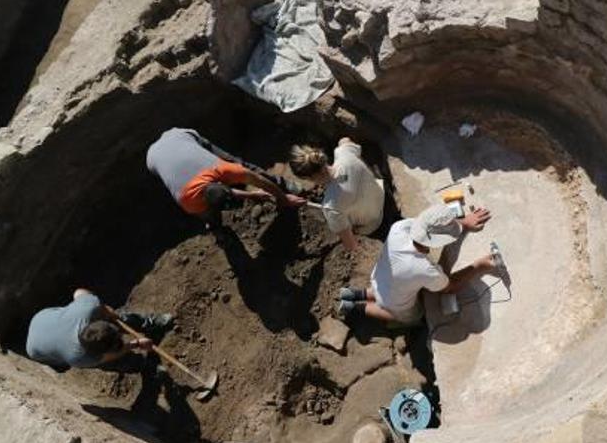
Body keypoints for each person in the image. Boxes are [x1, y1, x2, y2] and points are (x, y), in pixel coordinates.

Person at [337, 204, 494, 323]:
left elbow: (428, 226)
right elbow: (449, 287)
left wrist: (463, 223)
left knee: (384, 290)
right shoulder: (424, 269)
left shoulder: (399, 228)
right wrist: (481, 265)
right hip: (395, 303)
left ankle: (353, 294)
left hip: (379, 279)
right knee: (411, 317)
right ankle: (354, 308)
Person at [147, 128, 306, 225]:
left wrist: (283, 198)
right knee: (209, 217)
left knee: (240, 164)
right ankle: (218, 230)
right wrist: (251, 195)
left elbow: (258, 179)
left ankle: (282, 183)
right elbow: (206, 212)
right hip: (152, 158)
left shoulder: (224, 169)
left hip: (181, 136)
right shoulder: (187, 201)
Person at [25, 288, 172, 369]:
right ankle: (142, 366)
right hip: (35, 350)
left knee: (120, 319)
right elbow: (111, 356)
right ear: (92, 352)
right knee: (115, 361)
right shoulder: (79, 358)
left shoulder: (87, 307)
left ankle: (151, 323)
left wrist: (109, 313)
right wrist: (135, 345)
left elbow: (79, 292)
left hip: (42, 317)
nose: (121, 338)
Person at [289, 138, 385, 251]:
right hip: (381, 195)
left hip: (373, 224)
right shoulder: (344, 154)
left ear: (307, 178)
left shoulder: (331, 206)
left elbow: (352, 245)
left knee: (342, 224)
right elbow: (345, 140)